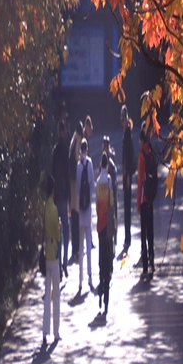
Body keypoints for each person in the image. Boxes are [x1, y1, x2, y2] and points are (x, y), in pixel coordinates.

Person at [42, 175, 61, 347]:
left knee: (47, 293)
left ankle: (44, 330)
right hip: (53, 253)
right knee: (56, 294)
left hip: (45, 252)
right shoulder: (54, 209)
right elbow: (57, 233)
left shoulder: (44, 208)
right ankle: (56, 331)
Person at [95, 152, 115, 314]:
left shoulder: (97, 183)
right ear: (107, 165)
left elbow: (97, 204)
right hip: (108, 226)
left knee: (101, 258)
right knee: (108, 258)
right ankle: (106, 297)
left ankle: (100, 291)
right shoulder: (108, 181)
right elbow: (112, 202)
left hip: (100, 225)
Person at [75, 138, 96, 294]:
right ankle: (89, 274)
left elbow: (77, 188)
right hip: (88, 208)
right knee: (88, 242)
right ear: (86, 149)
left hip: (80, 209)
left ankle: (80, 278)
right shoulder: (89, 164)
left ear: (79, 150)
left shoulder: (78, 166)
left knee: (81, 245)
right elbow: (91, 185)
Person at [52, 120, 72, 277]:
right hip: (64, 195)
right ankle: (65, 262)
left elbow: (53, 175)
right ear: (63, 132)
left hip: (56, 196)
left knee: (58, 231)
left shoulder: (54, 151)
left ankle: (58, 264)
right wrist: (70, 196)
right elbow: (67, 173)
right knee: (66, 229)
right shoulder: (64, 150)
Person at [137, 124, 157, 279]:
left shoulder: (142, 156)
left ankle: (144, 264)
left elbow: (140, 181)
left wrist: (138, 202)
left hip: (144, 198)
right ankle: (152, 259)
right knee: (151, 230)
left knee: (143, 232)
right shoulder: (151, 153)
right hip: (151, 197)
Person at [120, 105, 135, 250]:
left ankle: (128, 236)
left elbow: (129, 156)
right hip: (125, 174)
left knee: (127, 207)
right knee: (126, 207)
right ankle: (127, 235)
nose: (121, 121)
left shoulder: (128, 134)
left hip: (127, 174)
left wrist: (129, 174)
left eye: (122, 118)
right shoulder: (126, 133)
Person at [68, 124, 82, 265]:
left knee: (74, 217)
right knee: (76, 216)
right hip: (74, 186)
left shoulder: (72, 143)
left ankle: (74, 248)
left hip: (71, 185)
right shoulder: (76, 143)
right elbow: (78, 161)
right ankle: (76, 248)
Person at [101, 135, 118, 246]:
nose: (106, 147)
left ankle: (113, 237)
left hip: (111, 191)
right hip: (108, 191)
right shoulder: (107, 157)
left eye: (107, 145)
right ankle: (110, 236)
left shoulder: (110, 158)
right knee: (109, 215)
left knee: (112, 215)